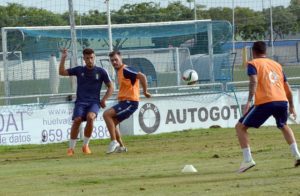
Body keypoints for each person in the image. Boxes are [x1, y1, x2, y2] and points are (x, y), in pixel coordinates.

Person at [235, 41, 300, 173]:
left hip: (265, 101)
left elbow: (253, 81)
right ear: (266, 51)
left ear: (253, 52)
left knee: (240, 127)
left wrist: (248, 101)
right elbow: (287, 87)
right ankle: (297, 155)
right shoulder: (277, 65)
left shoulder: (253, 63)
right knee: (283, 125)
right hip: (282, 100)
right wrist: (292, 106)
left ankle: (247, 160)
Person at [59, 48, 113, 156]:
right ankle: (71, 148)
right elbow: (61, 72)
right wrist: (64, 57)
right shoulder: (79, 70)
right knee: (77, 120)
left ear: (94, 57)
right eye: (87, 58)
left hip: (94, 102)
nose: (90, 60)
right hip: (80, 102)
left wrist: (104, 99)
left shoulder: (101, 72)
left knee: (90, 117)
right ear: (84, 59)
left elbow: (111, 87)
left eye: (92, 58)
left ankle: (85, 146)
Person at [103, 50, 151, 154]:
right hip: (124, 102)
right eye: (112, 61)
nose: (114, 62)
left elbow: (142, 76)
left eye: (116, 60)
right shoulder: (120, 71)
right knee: (113, 122)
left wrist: (145, 91)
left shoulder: (126, 69)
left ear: (121, 58)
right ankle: (121, 147)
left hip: (130, 102)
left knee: (106, 115)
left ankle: (113, 141)